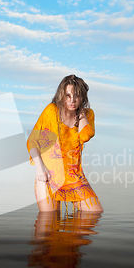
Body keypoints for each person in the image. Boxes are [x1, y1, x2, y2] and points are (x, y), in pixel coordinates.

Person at [27, 75, 103, 212]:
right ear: (61, 95)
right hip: (48, 175)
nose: (72, 100)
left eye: (76, 96)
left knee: (95, 213)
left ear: (83, 96)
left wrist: (80, 114)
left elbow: (86, 136)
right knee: (49, 224)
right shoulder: (51, 111)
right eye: (68, 95)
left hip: (74, 177)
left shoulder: (88, 114)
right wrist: (40, 168)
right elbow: (32, 141)